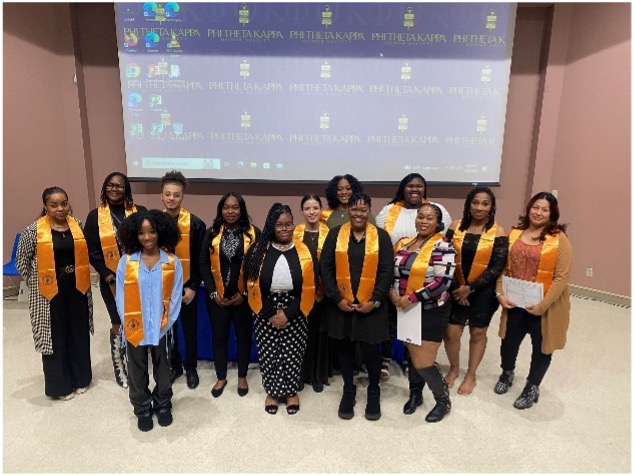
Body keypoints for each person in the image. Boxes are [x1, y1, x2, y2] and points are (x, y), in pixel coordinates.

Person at [493, 192, 572, 409]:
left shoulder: (559, 239)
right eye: (535, 207)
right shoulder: (514, 233)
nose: (538, 212)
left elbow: (561, 277)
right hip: (514, 302)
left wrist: (542, 306)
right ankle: (507, 373)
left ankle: (532, 386)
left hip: (545, 307)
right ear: (529, 208)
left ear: (552, 213)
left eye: (545, 209)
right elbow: (502, 267)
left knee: (542, 348)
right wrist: (500, 293)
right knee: (508, 343)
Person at [320, 193, 393, 421]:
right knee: (344, 347)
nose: (359, 214)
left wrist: (376, 300)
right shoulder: (335, 234)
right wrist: (336, 299)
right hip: (341, 304)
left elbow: (386, 271)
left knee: (371, 349)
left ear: (369, 211)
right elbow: (326, 268)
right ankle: (349, 389)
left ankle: (373, 389)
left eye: (363, 210)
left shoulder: (381, 236)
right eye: (354, 209)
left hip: (372, 305)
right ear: (348, 210)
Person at [16, 187, 93, 400]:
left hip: (77, 290)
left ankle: (81, 378)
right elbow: (22, 261)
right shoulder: (33, 231)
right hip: (49, 294)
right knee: (54, 337)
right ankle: (60, 386)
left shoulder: (77, 225)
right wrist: (38, 283)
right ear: (45, 206)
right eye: (54, 205)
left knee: (78, 334)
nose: (60, 209)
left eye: (64, 203)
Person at [375, 173, 452, 383]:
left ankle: (412, 361)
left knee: (416, 328)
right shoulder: (388, 211)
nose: (415, 189)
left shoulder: (438, 212)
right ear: (403, 188)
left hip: (424, 280)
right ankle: (386, 358)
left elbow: (442, 277)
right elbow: (381, 243)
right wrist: (390, 290)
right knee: (391, 323)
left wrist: (411, 297)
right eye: (410, 186)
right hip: (397, 275)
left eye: (419, 186)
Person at [244, 203, 317, 415]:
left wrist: (288, 313)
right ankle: (273, 392)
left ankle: (292, 391)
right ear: (271, 226)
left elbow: (309, 286)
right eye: (279, 225)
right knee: (270, 354)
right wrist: (270, 313)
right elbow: (251, 285)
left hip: (295, 308)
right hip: (265, 309)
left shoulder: (304, 251)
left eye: (288, 224)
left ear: (294, 225)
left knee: (293, 353)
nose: (284, 228)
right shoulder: (258, 250)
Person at [388, 203, 456, 423]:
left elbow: (442, 282)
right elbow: (392, 272)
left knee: (423, 361)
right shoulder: (405, 243)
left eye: (429, 218)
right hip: (404, 309)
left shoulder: (443, 245)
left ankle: (442, 400)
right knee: (410, 353)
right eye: (420, 217)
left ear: (438, 223)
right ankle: (415, 394)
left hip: (430, 310)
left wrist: (412, 298)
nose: (424, 221)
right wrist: (391, 292)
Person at [116, 210, 183, 431]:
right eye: (142, 233)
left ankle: (163, 402)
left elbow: (175, 296)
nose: (147, 237)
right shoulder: (127, 262)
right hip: (135, 325)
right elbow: (121, 296)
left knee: (164, 368)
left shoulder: (172, 262)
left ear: (160, 232)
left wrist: (167, 322)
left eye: (152, 232)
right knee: (136, 369)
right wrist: (128, 324)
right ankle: (142, 406)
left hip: (163, 327)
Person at [84, 172, 147, 388]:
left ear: (126, 189)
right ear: (104, 188)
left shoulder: (140, 212)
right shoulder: (95, 216)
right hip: (110, 278)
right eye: (110, 185)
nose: (114, 189)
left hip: (139, 277)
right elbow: (92, 251)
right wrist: (108, 276)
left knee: (138, 319)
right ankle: (120, 366)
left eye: (119, 186)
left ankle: (138, 363)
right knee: (118, 321)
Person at [443, 187, 508, 395]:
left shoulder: (498, 232)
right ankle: (454, 368)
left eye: (485, 204)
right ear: (468, 204)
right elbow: (444, 257)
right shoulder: (455, 226)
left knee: (478, 332)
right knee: (452, 332)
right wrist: (457, 288)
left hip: (482, 291)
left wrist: (469, 289)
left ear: (491, 207)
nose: (479, 207)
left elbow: (497, 266)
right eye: (475, 202)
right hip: (455, 287)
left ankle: (471, 374)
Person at [199, 192, 260, 398]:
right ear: (221, 210)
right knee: (219, 338)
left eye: (235, 207)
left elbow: (258, 266)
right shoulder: (212, 233)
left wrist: (244, 293)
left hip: (243, 298)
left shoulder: (253, 233)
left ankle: (242, 376)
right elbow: (203, 264)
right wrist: (213, 292)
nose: (230, 211)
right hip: (218, 298)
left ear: (241, 209)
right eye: (226, 207)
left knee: (243, 337)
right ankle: (221, 377)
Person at [159, 171, 206, 389]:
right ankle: (174, 366)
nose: (171, 198)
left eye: (176, 195)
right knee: (167, 330)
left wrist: (193, 287)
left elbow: (199, 260)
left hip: (187, 287)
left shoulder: (196, 224)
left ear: (182, 197)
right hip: (161, 287)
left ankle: (191, 367)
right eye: (167, 194)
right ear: (161, 196)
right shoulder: (152, 223)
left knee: (189, 330)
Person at [294, 194, 332, 392]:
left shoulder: (330, 234)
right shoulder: (294, 233)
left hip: (323, 295)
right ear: (302, 211)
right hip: (300, 294)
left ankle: (317, 375)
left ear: (321, 209)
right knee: (300, 335)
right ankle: (301, 374)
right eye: (307, 208)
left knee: (319, 334)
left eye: (315, 208)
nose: (311, 212)